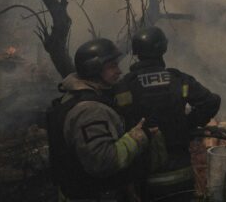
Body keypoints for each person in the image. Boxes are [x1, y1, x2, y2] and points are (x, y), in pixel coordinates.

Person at [114, 26, 221, 202]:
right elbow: (211, 102)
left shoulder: (125, 85)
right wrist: (188, 123)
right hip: (180, 173)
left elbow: (116, 118)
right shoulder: (178, 79)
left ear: (137, 52)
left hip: (142, 175)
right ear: (163, 48)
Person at [47, 38, 155, 202]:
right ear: (93, 69)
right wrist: (139, 137)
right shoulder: (89, 111)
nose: (119, 71)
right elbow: (103, 161)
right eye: (112, 66)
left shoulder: (74, 96)